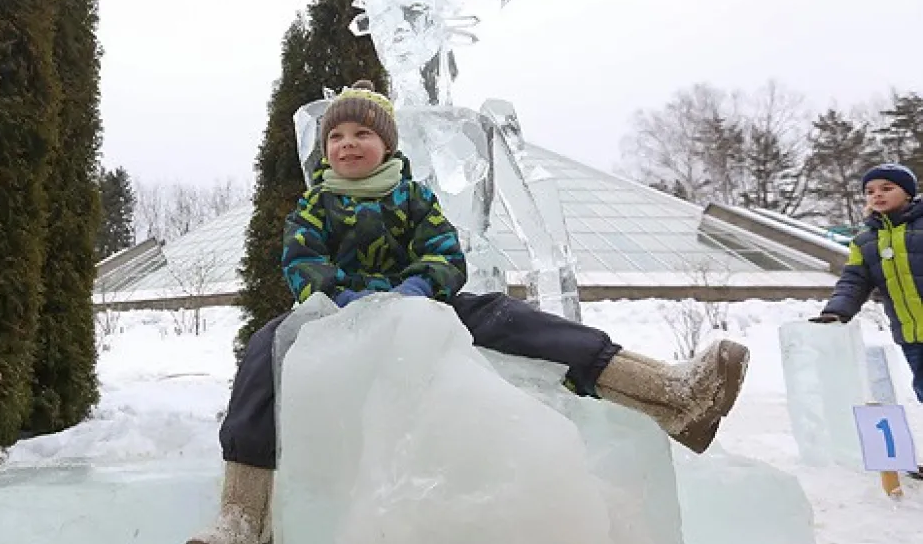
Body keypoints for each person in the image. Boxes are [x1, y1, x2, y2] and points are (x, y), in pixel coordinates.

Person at [186, 80, 751, 544]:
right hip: (335, 309)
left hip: (417, 299)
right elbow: (301, 259)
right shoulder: (315, 204)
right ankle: (243, 518)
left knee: (507, 316)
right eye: (336, 135)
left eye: (362, 132)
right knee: (264, 350)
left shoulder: (412, 198)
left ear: (387, 144)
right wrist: (337, 296)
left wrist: (417, 287)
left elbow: (444, 254)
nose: (347, 143)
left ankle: (673, 395)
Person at [811, 163, 922, 477]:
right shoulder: (864, 241)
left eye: (887, 188)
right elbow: (854, 281)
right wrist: (837, 310)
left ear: (908, 192)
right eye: (871, 191)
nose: (878, 195)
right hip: (911, 333)